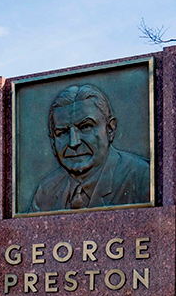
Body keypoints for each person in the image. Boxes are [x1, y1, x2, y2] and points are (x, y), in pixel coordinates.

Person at [29, 84, 150, 213]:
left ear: (110, 130)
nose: (73, 142)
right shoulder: (46, 191)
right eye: (62, 132)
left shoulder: (143, 177)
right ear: (53, 142)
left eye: (85, 127)